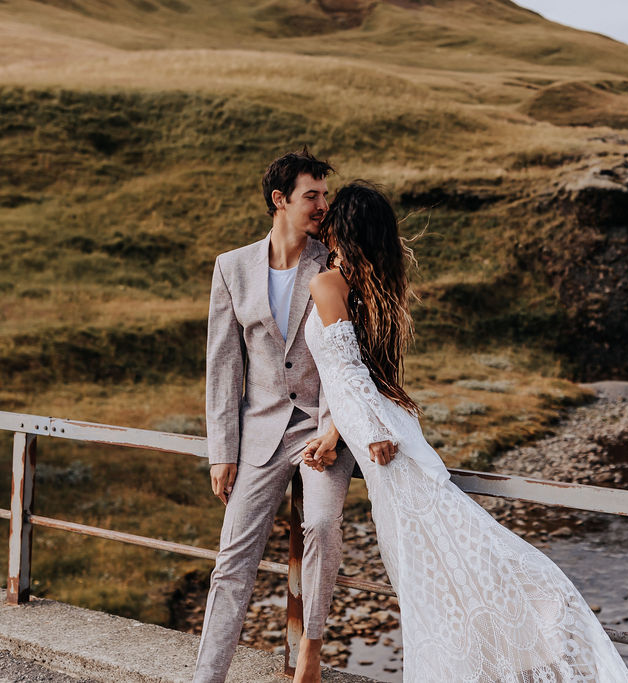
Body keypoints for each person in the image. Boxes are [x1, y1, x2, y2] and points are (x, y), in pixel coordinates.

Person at [303, 181, 628, 681]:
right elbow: (350, 374)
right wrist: (337, 433)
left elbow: (351, 371)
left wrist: (369, 432)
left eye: (331, 218)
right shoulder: (361, 284)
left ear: (343, 229)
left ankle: (539, 619)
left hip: (384, 441)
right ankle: (494, 650)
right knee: (430, 559)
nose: (323, 222)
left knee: (443, 550)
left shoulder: (327, 284)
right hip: (379, 432)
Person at [195, 149, 357, 683]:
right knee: (231, 563)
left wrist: (334, 430)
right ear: (279, 200)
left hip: (321, 429)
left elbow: (344, 353)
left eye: (325, 196)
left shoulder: (335, 262)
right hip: (259, 432)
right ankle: (206, 677)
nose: (322, 206)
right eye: (312, 196)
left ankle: (310, 648)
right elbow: (223, 367)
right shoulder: (231, 267)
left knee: (321, 525)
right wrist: (222, 451)